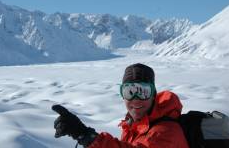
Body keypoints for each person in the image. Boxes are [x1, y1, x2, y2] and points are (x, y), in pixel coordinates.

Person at [52, 63, 189, 148]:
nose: (136, 100)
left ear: (153, 94)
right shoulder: (134, 125)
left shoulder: (166, 131)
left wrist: (86, 135)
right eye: (129, 92)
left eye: (143, 91)